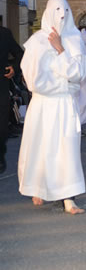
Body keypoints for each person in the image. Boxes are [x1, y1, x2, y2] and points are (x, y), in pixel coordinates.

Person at [18, 0, 86, 214]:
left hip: (64, 103)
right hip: (42, 104)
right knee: (40, 147)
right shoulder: (36, 42)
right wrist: (61, 74)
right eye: (57, 11)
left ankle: (69, 197)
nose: (61, 16)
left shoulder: (75, 39)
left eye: (66, 11)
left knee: (66, 149)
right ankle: (37, 187)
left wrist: (60, 51)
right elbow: (33, 78)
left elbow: (78, 73)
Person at [0, 26, 24, 174]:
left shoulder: (4, 33)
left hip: (1, 87)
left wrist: (14, 68)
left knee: (2, 127)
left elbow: (20, 54)